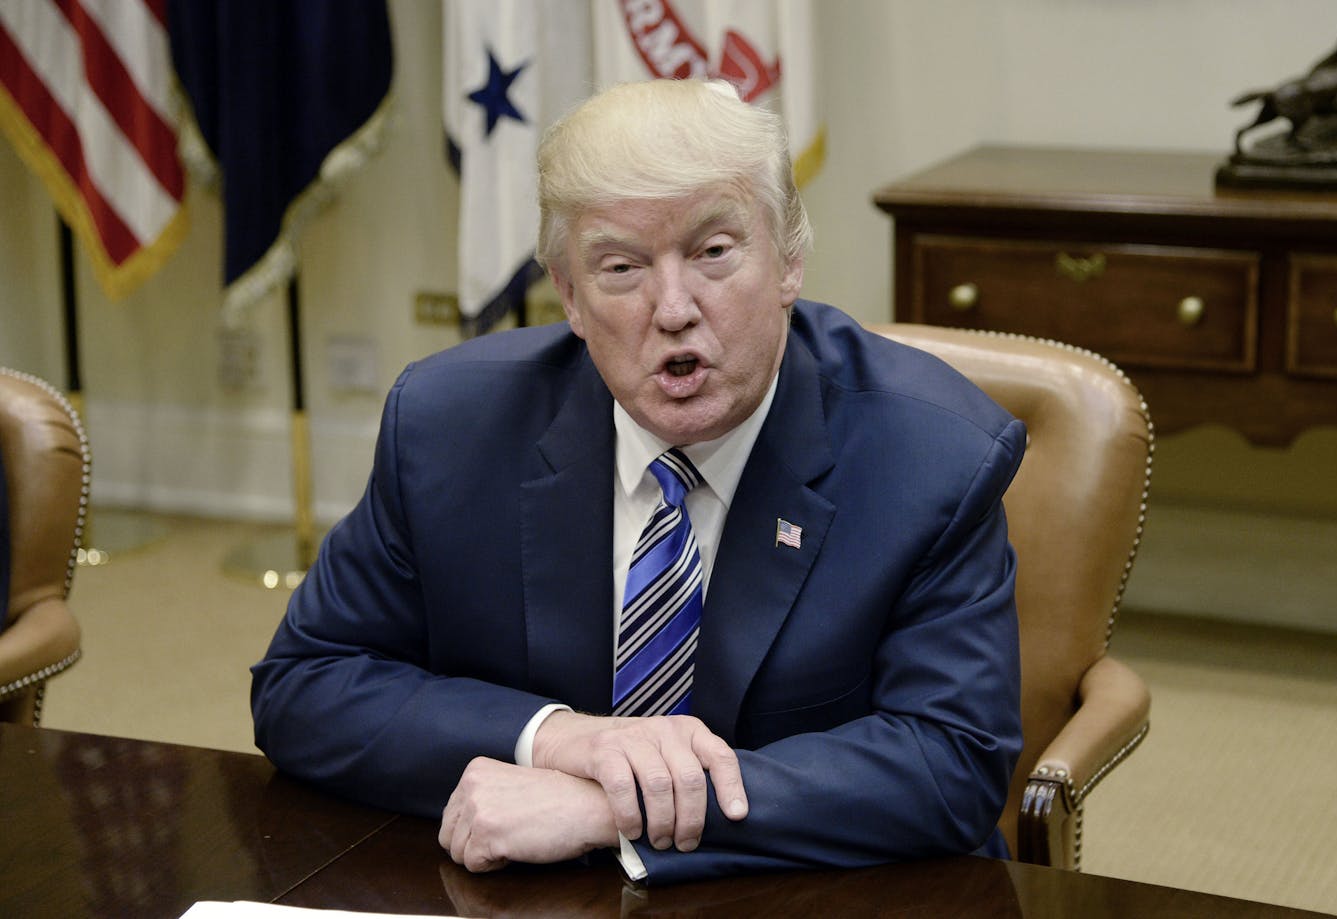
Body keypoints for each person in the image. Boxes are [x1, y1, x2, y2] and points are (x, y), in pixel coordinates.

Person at [251, 78, 1025, 885]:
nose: (674, 307)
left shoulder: (934, 457)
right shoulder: (449, 427)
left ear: (790, 259)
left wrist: (615, 809)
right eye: (621, 266)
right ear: (570, 294)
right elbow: (305, 684)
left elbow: (951, 763)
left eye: (713, 252)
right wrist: (557, 738)